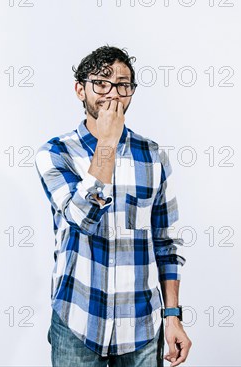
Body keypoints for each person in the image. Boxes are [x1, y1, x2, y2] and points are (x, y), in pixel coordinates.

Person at [34, 45, 192, 367]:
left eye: (123, 85)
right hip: (78, 321)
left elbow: (166, 244)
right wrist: (106, 143)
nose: (113, 94)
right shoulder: (55, 153)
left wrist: (172, 315)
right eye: (102, 82)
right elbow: (82, 218)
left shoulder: (153, 155)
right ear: (81, 89)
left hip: (141, 327)